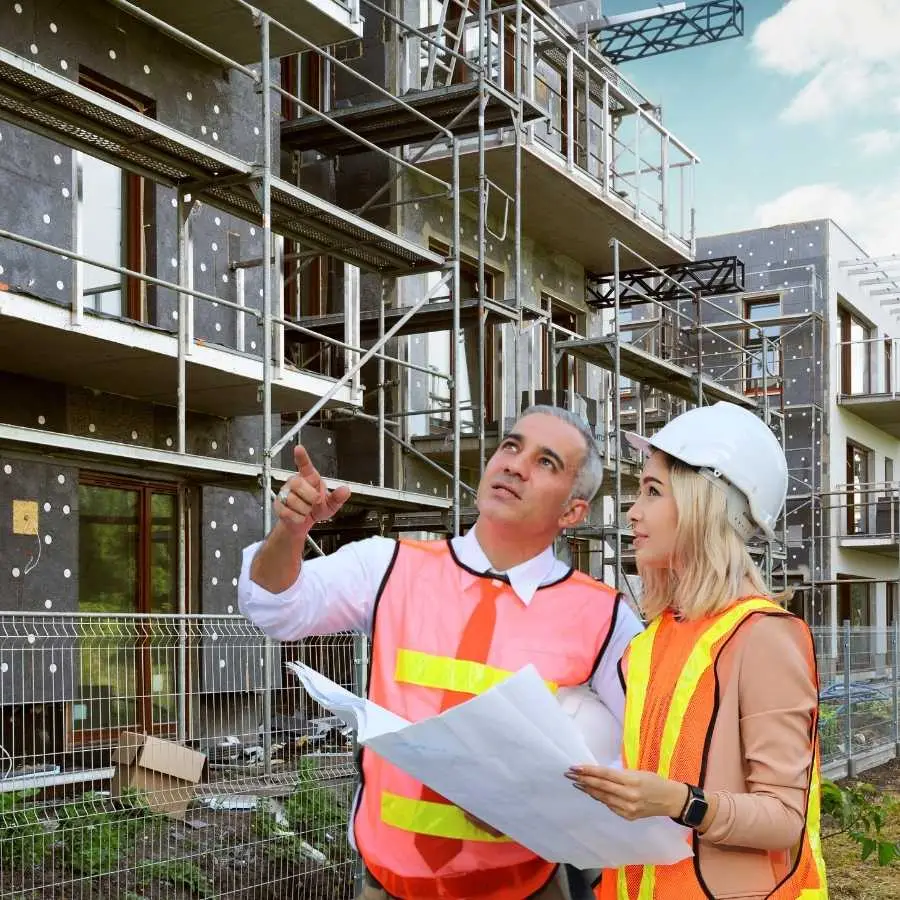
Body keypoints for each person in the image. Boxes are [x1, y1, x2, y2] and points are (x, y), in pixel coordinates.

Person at [239, 405, 642, 900]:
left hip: (524, 890)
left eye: (546, 462)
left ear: (572, 513)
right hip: (385, 888)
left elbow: (646, 752)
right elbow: (275, 608)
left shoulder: (605, 617)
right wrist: (291, 532)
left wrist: (543, 802)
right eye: (511, 446)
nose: (515, 464)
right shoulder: (389, 565)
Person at [566, 401, 828, 900]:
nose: (633, 511)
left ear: (708, 505)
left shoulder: (763, 636)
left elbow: (783, 821)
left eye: (653, 491)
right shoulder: (648, 643)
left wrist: (682, 802)